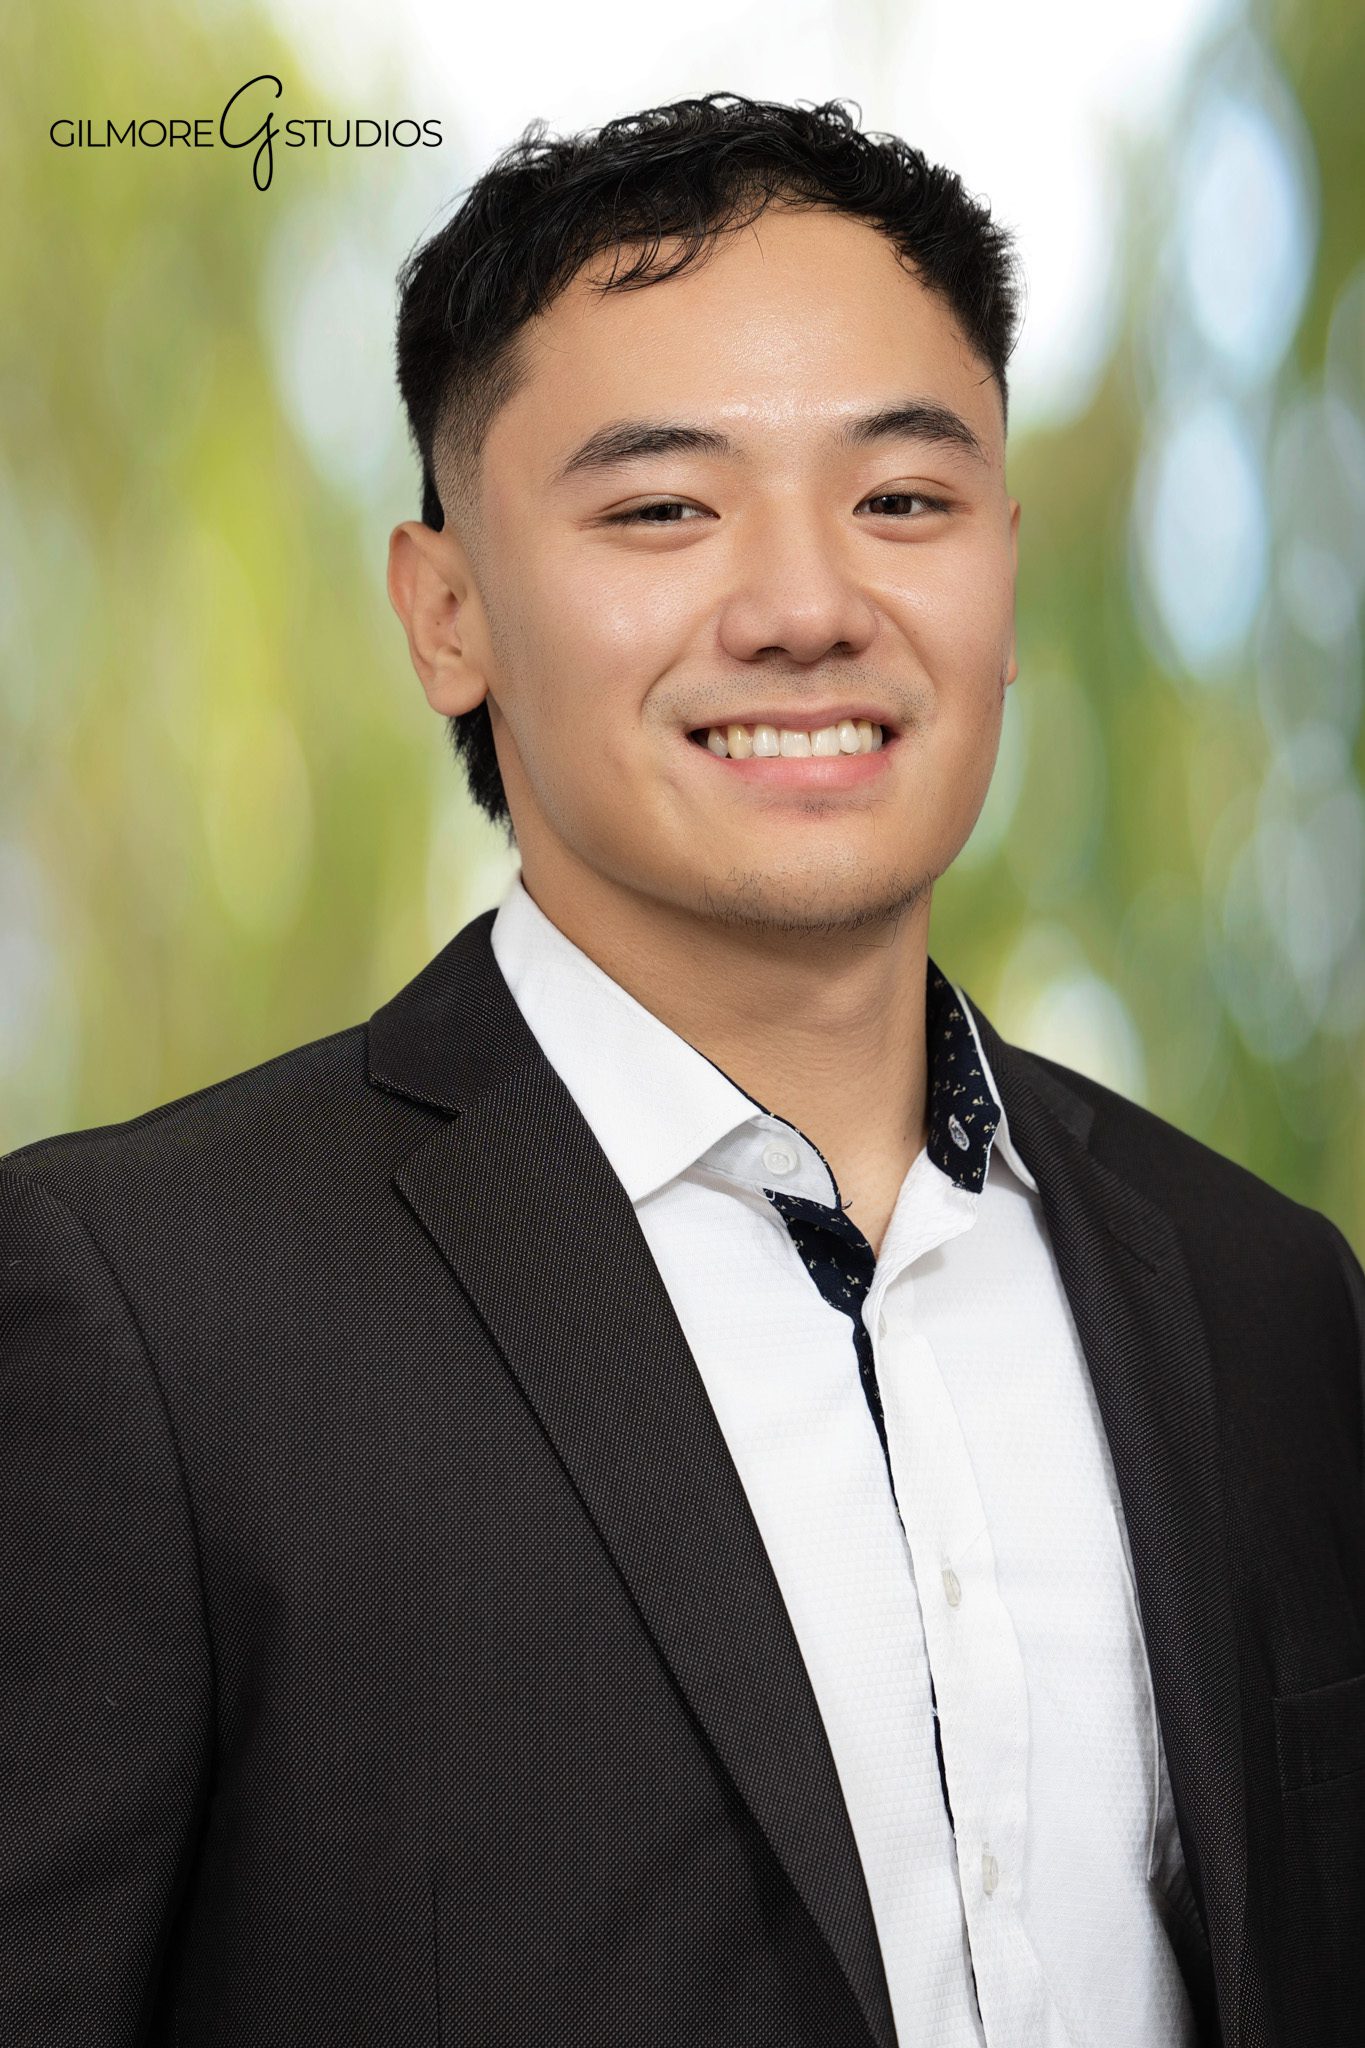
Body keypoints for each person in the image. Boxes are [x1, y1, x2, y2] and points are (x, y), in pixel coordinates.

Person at [2, 91, 1362, 2048]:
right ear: (445, 609)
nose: (807, 606)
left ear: (999, 566)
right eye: (660, 506)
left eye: (900, 499)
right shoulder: (147, 1313)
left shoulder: (1263, 1301)